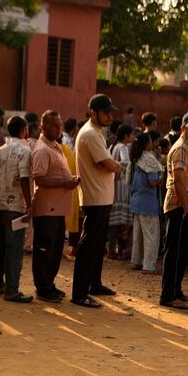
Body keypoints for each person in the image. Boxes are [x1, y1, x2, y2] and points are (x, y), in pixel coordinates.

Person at [71, 93, 122, 308]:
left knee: (97, 244)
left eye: (111, 112)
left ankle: (94, 284)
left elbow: (107, 164)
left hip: (101, 195)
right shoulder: (90, 134)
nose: (110, 116)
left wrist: (109, 165)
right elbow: (110, 165)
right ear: (93, 113)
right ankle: (79, 293)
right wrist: (114, 166)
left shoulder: (96, 132)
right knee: (89, 245)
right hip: (95, 197)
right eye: (106, 112)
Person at [28, 110, 78, 302]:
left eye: (60, 125)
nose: (58, 129)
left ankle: (49, 283)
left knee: (56, 249)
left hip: (58, 208)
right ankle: (43, 288)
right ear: (43, 126)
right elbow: (39, 178)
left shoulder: (56, 146)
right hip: (47, 207)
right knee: (44, 249)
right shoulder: (42, 149)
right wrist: (65, 184)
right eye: (53, 125)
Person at [160, 112, 188, 309]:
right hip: (180, 207)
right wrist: (187, 209)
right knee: (174, 252)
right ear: (183, 129)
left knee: (182, 252)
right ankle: (167, 296)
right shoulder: (180, 149)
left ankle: (176, 291)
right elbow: (179, 182)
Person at [0, 113, 34, 302]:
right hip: (16, 206)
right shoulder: (25, 151)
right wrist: (30, 205)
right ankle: (12, 290)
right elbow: (24, 179)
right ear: (24, 130)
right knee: (14, 248)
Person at [129, 130, 164, 273]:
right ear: (146, 144)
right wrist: (162, 180)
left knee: (138, 234)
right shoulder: (149, 159)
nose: (153, 143)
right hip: (148, 201)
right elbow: (153, 182)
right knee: (151, 234)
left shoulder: (137, 157)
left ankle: (136, 261)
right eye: (150, 140)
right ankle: (149, 266)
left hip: (137, 200)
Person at [108, 121, 136, 259]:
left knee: (113, 222)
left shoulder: (113, 146)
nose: (133, 137)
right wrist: (119, 170)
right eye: (131, 134)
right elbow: (125, 162)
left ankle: (112, 249)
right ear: (126, 136)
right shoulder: (123, 147)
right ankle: (117, 251)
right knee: (120, 222)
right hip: (121, 187)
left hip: (113, 186)